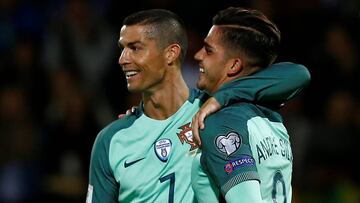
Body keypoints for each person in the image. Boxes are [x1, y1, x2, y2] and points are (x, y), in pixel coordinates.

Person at [86, 9, 310, 203]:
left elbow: (297, 74)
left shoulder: (217, 115)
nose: (123, 59)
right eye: (122, 48)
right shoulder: (111, 139)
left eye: (135, 48)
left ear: (171, 53)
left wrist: (221, 98)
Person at [190, 7, 307, 203]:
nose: (198, 55)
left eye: (208, 50)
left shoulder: (221, 121)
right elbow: (300, 73)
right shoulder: (270, 117)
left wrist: (221, 98)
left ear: (234, 65)